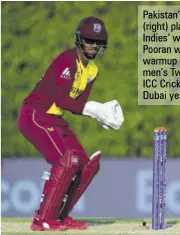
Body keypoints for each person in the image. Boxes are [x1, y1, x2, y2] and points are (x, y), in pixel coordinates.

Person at [17, 16, 124, 231]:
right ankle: (42, 220)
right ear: (79, 39)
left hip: (54, 119)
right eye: (89, 40)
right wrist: (96, 110)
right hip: (35, 115)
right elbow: (61, 100)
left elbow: (78, 104)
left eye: (98, 42)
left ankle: (60, 216)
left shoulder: (92, 71)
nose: (93, 46)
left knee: (85, 166)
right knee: (66, 161)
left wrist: (101, 114)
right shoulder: (67, 59)